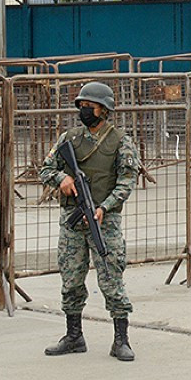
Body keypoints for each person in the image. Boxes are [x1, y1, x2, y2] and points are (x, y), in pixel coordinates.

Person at [38, 81, 141, 362]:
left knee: (111, 277)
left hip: (103, 221)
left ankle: (121, 339)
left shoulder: (121, 141)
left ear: (104, 110)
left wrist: (104, 207)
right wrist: (63, 179)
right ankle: (74, 336)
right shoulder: (68, 138)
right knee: (71, 278)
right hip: (72, 223)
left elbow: (127, 181)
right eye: (82, 105)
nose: (84, 110)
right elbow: (45, 168)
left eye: (90, 106)